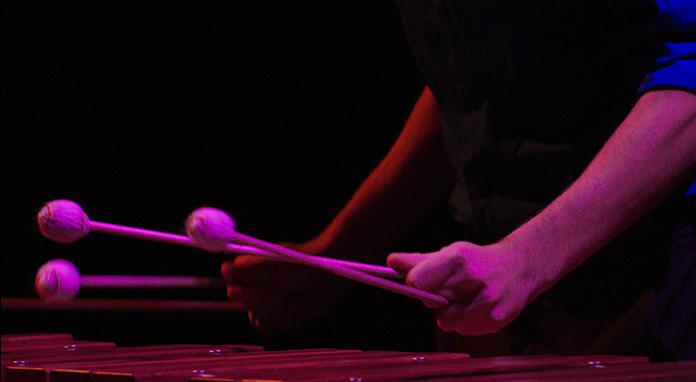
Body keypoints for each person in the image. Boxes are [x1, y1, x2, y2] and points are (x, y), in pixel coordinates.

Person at [222, 1, 696, 360]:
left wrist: (526, 259)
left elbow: (686, 82)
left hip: (660, 277)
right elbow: (475, 89)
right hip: (513, 300)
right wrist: (333, 258)